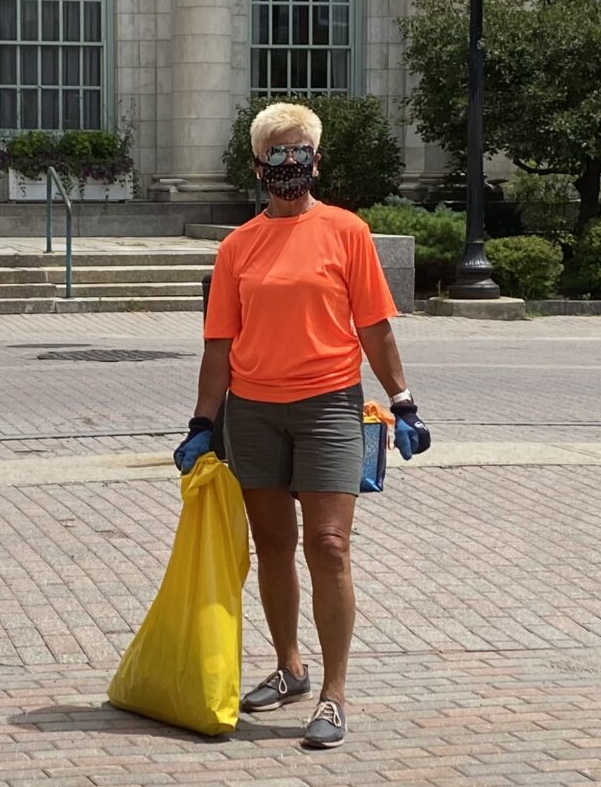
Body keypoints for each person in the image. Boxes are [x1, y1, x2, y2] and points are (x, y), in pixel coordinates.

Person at [181, 102, 426, 751]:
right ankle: (290, 665)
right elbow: (218, 344)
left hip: (328, 407)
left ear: (315, 160)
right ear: (258, 164)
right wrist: (203, 422)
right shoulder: (238, 247)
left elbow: (374, 325)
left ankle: (334, 695)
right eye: (276, 155)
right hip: (254, 413)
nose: (288, 165)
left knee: (330, 546)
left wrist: (402, 400)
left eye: (298, 153)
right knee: (274, 546)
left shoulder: (347, 233)